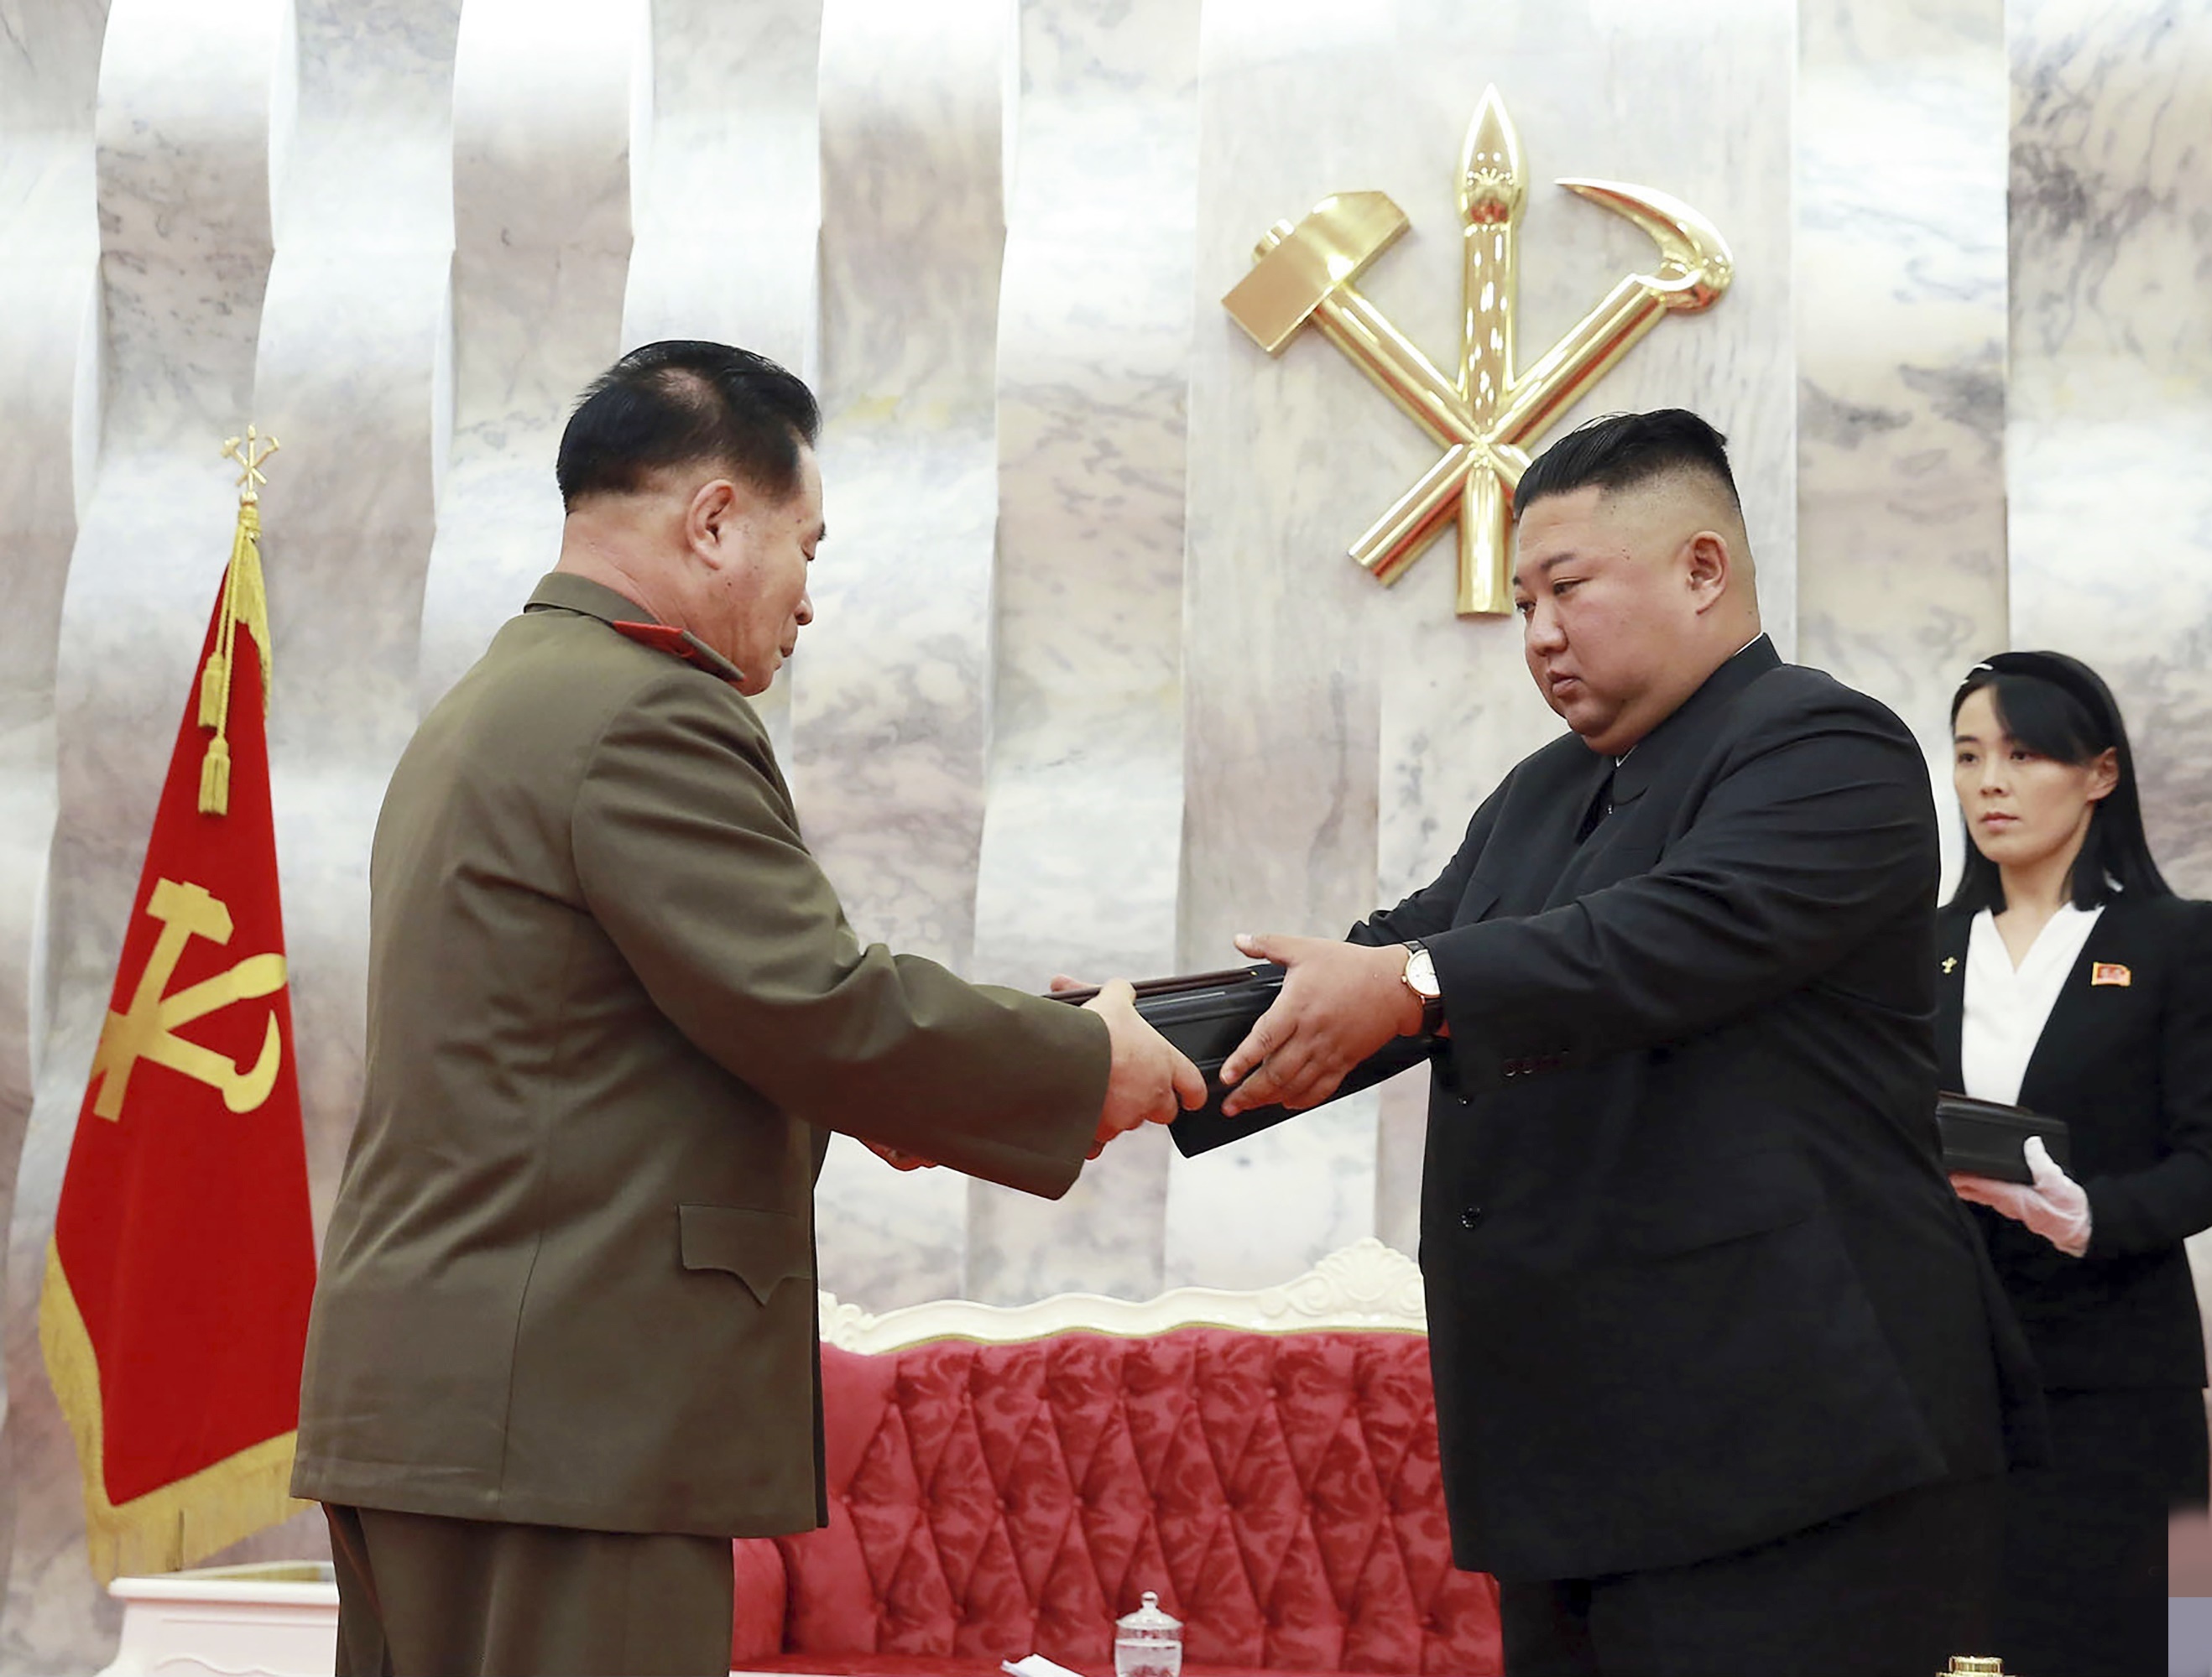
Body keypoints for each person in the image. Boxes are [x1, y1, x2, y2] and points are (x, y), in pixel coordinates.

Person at [291, 341, 1203, 1677]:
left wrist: (869, 1094)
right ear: (716, 518)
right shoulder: (639, 710)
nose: (809, 601)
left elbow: (642, 1032)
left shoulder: (497, 701)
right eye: (809, 549)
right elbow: (820, 1001)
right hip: (562, 1418)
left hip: (460, 1403)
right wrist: (1087, 1060)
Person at [1181, 409, 2041, 1677]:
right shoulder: (1542, 789)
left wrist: (1413, 979)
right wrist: (1116, 1050)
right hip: (1575, 1450)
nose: (1537, 634)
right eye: (1524, 599)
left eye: (1565, 589)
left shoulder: (1826, 745)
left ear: (1702, 569)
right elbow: (1379, 961)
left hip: (1786, 1446)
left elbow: (1652, 939)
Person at [1938, 651, 2212, 1676]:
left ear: (2100, 774)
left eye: (2023, 753)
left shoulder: (2173, 940)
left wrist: (2092, 1216)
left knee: (2107, 1644)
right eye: (1969, 754)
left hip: (2112, 1382)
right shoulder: (1913, 948)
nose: (1991, 780)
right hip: (1938, 1374)